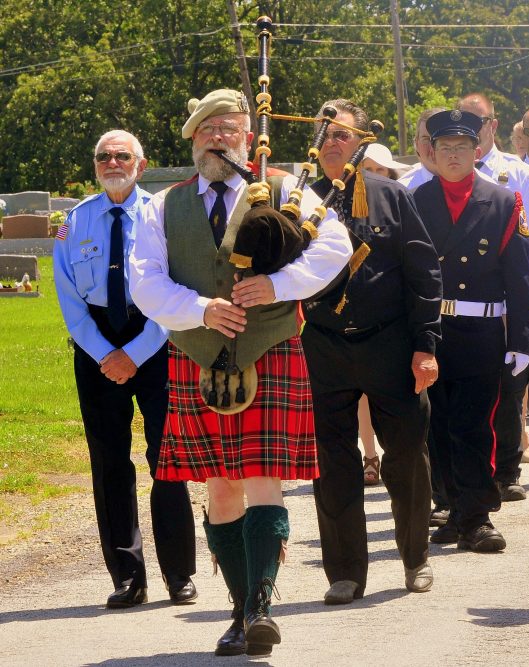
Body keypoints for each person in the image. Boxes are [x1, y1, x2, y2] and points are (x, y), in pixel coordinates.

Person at [129, 89, 351, 656]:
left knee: (262, 480)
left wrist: (277, 286)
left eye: (229, 128)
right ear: (192, 141)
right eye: (207, 130)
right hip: (198, 356)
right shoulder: (163, 206)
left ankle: (261, 606)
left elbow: (333, 251)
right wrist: (201, 308)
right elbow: (146, 282)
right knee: (219, 486)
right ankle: (238, 607)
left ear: (248, 138)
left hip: (269, 347)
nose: (218, 137)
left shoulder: (286, 190)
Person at [296, 98, 442, 606]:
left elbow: (424, 275)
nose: (331, 141)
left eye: (341, 134)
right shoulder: (297, 200)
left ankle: (415, 558)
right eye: (324, 132)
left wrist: (425, 346)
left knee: (406, 457)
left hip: (390, 343)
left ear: (360, 141)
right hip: (324, 346)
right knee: (332, 463)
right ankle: (345, 573)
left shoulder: (391, 196)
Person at [54, 130, 197, 610]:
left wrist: (135, 353)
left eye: (122, 155)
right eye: (104, 156)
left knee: (168, 459)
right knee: (109, 462)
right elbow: (71, 302)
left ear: (142, 163)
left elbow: (175, 287)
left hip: (154, 340)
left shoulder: (163, 215)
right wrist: (104, 354)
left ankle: (179, 574)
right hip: (96, 346)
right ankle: (127, 577)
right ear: (95, 165)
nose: (112, 162)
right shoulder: (75, 222)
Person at [412, 109, 529, 552]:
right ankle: (453, 509)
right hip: (432, 328)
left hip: (481, 328)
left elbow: (518, 277)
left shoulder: (503, 202)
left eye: (463, 148)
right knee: (436, 425)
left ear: (477, 151)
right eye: (445, 148)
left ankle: (478, 515)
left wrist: (520, 342)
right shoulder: (417, 201)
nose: (454, 156)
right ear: (431, 152)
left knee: (475, 424)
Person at [458, 93, 529, 500]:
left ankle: (508, 468)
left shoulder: (515, 173)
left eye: (480, 121)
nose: (473, 128)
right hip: (465, 301)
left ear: (494, 126)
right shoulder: (447, 168)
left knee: (511, 382)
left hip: (510, 296)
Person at [398, 107, 447, 190]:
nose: (433, 147)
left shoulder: (475, 182)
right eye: (426, 139)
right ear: (417, 144)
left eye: (440, 139)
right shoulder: (402, 190)